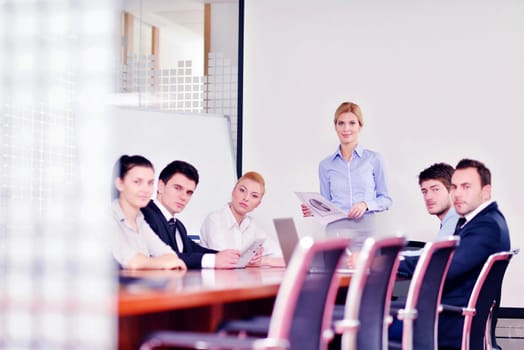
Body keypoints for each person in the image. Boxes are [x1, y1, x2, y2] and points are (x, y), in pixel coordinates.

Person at [396, 158, 510, 349]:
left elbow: (442, 266)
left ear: (485, 191)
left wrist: (389, 263)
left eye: (466, 187)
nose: (458, 194)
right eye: (455, 187)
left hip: (446, 322)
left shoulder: (486, 226)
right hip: (447, 316)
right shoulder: (477, 222)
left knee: (365, 323)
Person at [302, 101, 392, 251]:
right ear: (335, 126)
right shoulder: (325, 165)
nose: (346, 128)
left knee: (367, 274)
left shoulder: (374, 159)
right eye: (341, 123)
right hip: (335, 234)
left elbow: (386, 200)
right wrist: (315, 209)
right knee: (336, 274)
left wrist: (366, 204)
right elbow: (327, 204)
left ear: (360, 126)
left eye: (352, 123)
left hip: (366, 233)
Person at [141, 160, 244, 269]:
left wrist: (229, 257)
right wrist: (212, 260)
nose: (183, 197)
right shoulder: (145, 214)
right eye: (177, 188)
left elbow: (193, 249)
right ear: (161, 186)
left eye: (189, 192)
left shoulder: (179, 226)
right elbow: (161, 257)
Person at [111, 155, 187, 270]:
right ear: (119, 184)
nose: (146, 190)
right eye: (137, 182)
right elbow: (132, 261)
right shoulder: (105, 217)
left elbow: (169, 255)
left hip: (140, 285)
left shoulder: (140, 219)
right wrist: (159, 262)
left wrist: (151, 261)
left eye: (150, 183)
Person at [200, 171, 285, 267]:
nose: (246, 198)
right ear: (233, 191)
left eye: (254, 196)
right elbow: (225, 261)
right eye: (242, 190)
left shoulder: (252, 226)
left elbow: (285, 258)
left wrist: (262, 261)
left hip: (239, 280)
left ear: (258, 204)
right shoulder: (214, 219)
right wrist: (248, 260)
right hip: (214, 280)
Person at [419, 162, 459, 238]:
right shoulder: (451, 222)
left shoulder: (455, 222)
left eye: (435, 189)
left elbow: (434, 250)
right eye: (424, 191)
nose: (428, 197)